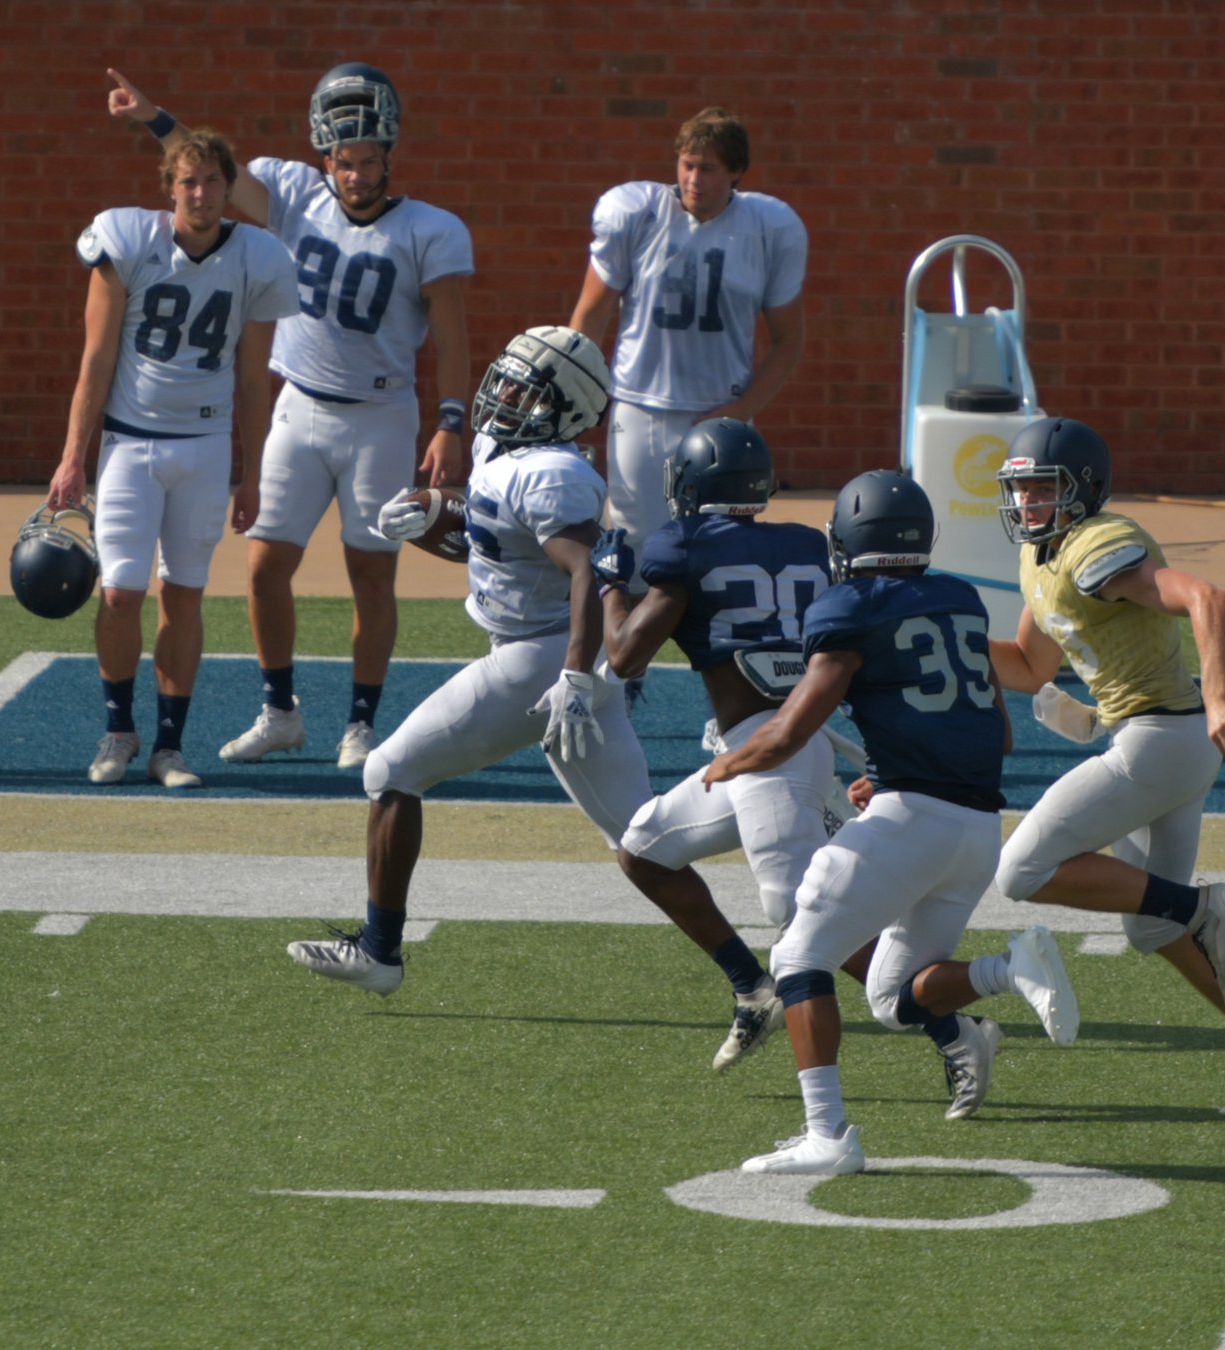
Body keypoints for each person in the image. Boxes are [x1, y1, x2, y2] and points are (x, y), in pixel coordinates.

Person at [704, 470, 1078, 1176]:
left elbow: (789, 731)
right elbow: (993, 734)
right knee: (888, 997)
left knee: (795, 959)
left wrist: (731, 762)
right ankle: (1007, 969)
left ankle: (828, 1137)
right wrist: (897, 761)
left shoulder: (848, 607)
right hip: (972, 830)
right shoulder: (958, 600)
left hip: (912, 822)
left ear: (848, 539)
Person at [107, 64, 473, 770]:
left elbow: (453, 337)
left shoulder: (429, 229)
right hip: (299, 403)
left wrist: (450, 423)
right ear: (323, 157)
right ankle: (280, 711)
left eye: (368, 161)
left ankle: (361, 722)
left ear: (388, 157)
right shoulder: (296, 193)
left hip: (381, 414)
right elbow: (209, 167)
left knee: (372, 572)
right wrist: (154, 116)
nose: (356, 175)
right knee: (265, 566)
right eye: (344, 161)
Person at [284, 327, 651, 994]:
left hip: (546, 658)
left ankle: (379, 953)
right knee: (646, 840)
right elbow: (489, 536)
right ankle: (753, 975)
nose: (502, 392)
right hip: (544, 654)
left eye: (522, 387)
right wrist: (428, 515)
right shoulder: (503, 448)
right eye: (503, 376)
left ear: (561, 406)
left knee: (391, 769)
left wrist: (572, 672)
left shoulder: (555, 472)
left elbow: (589, 576)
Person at [989, 417, 1225, 1116]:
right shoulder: (1041, 555)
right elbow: (1028, 664)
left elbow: (1206, 598)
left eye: (1041, 489)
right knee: (1151, 927)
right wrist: (945, 643)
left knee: (1020, 872)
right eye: (1021, 490)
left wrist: (1221, 697)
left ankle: (1203, 906)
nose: (1027, 505)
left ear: (1083, 490)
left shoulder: (1098, 543)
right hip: (1165, 746)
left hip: (1160, 740)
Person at [592, 417, 845, 1071]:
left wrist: (607, 585)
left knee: (796, 916)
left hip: (773, 752)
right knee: (644, 848)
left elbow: (621, 657)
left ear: (689, 485)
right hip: (769, 746)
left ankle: (950, 1012)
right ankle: (749, 985)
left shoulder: (683, 546)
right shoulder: (804, 545)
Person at [48, 127, 297, 790]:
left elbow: (253, 377)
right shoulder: (128, 240)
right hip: (130, 443)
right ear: (170, 187)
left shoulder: (257, 256)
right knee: (122, 592)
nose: (201, 193)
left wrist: (252, 472)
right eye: (188, 180)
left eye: (213, 180)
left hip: (206, 447)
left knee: (183, 594)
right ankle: (118, 730)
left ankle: (169, 746)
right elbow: (96, 359)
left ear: (227, 187)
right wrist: (75, 458)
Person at [567, 106, 806, 576]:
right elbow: (589, 317)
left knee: (722, 555)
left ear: (736, 172)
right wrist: (574, 404)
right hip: (641, 406)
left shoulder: (769, 227)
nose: (694, 179)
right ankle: (627, 652)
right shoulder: (639, 213)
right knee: (636, 551)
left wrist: (738, 412)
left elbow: (788, 341)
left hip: (722, 413)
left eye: (708, 168)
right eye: (687, 165)